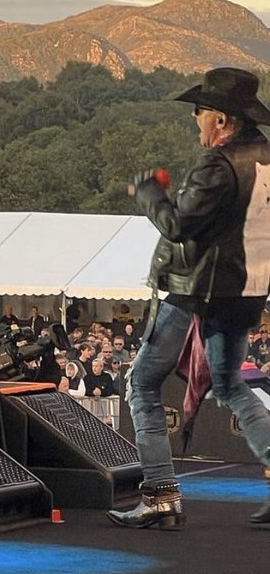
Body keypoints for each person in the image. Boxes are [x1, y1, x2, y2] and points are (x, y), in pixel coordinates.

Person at [109, 68, 270, 530]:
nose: (195, 121)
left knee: (142, 384)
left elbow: (179, 226)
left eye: (199, 113)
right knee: (231, 385)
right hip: (247, 290)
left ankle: (160, 495)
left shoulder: (216, 166)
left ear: (221, 119)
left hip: (197, 291)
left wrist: (149, 193)